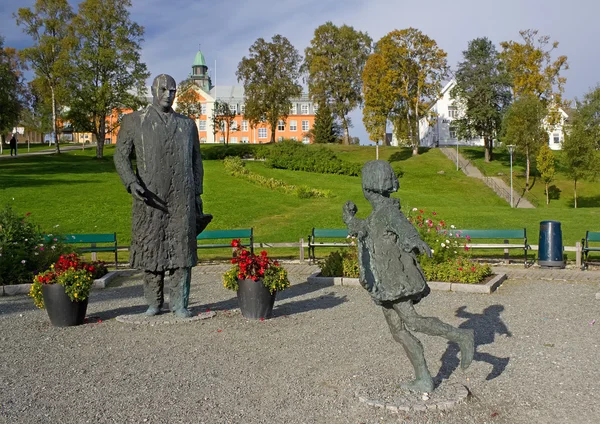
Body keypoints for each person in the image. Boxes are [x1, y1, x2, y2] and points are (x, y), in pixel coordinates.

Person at [342, 160, 474, 393]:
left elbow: (404, 228)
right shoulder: (376, 215)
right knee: (398, 331)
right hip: (384, 284)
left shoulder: (388, 212)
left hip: (395, 281)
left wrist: (415, 241)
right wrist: (351, 219)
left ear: (370, 187)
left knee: (411, 321)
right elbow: (365, 230)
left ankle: (462, 336)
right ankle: (423, 377)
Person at [114, 74, 212, 318]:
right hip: (150, 198)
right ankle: (153, 303)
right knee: (151, 247)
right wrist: (131, 182)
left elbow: (196, 160)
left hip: (182, 197)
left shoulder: (187, 125)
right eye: (164, 89)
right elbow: (120, 156)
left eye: (173, 90)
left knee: (181, 250)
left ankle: (180, 304)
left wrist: (197, 192)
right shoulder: (134, 121)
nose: (168, 94)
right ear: (153, 90)